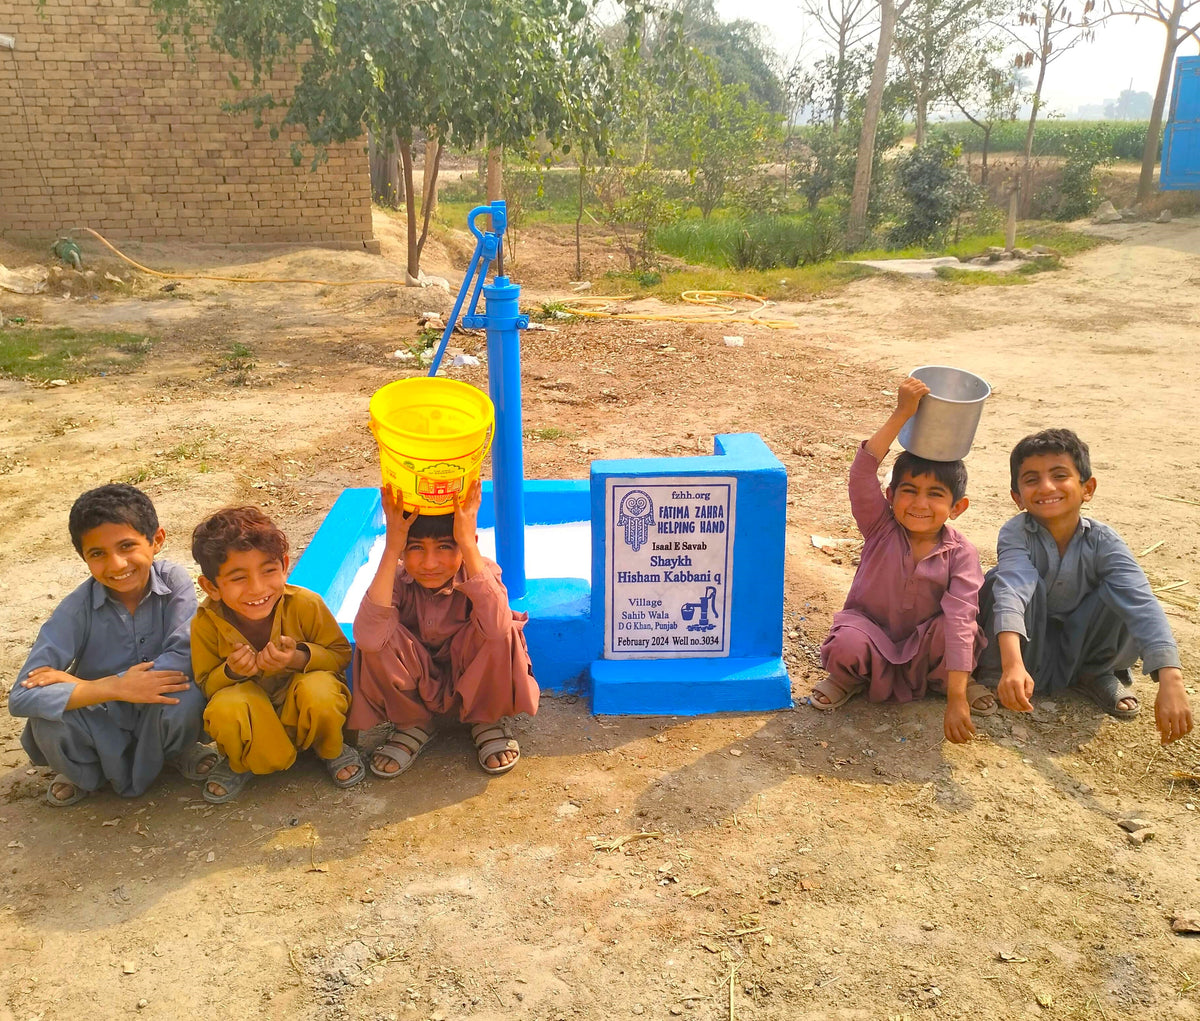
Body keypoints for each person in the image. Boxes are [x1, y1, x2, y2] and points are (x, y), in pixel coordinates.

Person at [978, 428, 1193, 745]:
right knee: (999, 579)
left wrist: (1171, 679)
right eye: (1032, 479)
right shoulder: (1015, 533)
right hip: (1028, 647)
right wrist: (1012, 664)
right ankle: (997, 675)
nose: (1047, 487)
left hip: (1080, 643)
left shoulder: (1105, 541)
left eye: (1060, 475)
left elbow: (1142, 603)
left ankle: (1094, 674)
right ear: (1017, 498)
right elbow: (1013, 588)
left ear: (1087, 488)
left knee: (1121, 591)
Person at [811, 377, 993, 743]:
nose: (920, 504)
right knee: (847, 642)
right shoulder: (880, 526)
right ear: (891, 495)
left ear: (957, 508)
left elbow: (959, 618)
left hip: (927, 648)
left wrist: (958, 698)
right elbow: (862, 471)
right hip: (871, 637)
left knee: (962, 632)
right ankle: (846, 680)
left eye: (935, 495)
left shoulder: (962, 554)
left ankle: (953, 683)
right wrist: (902, 413)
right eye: (908, 491)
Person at [9, 484, 212, 805]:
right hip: (101, 714)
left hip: (158, 705)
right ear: (83, 557)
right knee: (49, 724)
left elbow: (183, 653)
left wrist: (76, 682)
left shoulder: (173, 580)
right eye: (98, 553)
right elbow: (22, 695)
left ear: (156, 540)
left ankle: (176, 753)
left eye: (127, 546)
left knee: (186, 694)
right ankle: (87, 773)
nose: (117, 564)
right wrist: (113, 688)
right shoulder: (76, 609)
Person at [350, 478, 538, 778]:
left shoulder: (481, 571)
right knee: (375, 631)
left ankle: (486, 719)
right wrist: (391, 549)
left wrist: (466, 543)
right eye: (415, 548)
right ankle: (413, 722)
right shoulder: (397, 579)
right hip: (419, 682)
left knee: (501, 628)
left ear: (465, 546)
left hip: (474, 682)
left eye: (444, 547)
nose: (429, 562)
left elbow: (497, 628)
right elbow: (368, 638)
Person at [190, 506, 363, 803]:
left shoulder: (306, 604)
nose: (257, 588)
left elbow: (340, 655)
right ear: (211, 586)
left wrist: (298, 658)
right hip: (252, 714)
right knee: (224, 707)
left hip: (301, 703)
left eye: (268, 571)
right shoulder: (205, 623)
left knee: (321, 689)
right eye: (238, 578)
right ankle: (240, 761)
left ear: (284, 566)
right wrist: (231, 672)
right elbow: (206, 683)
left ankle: (331, 748)